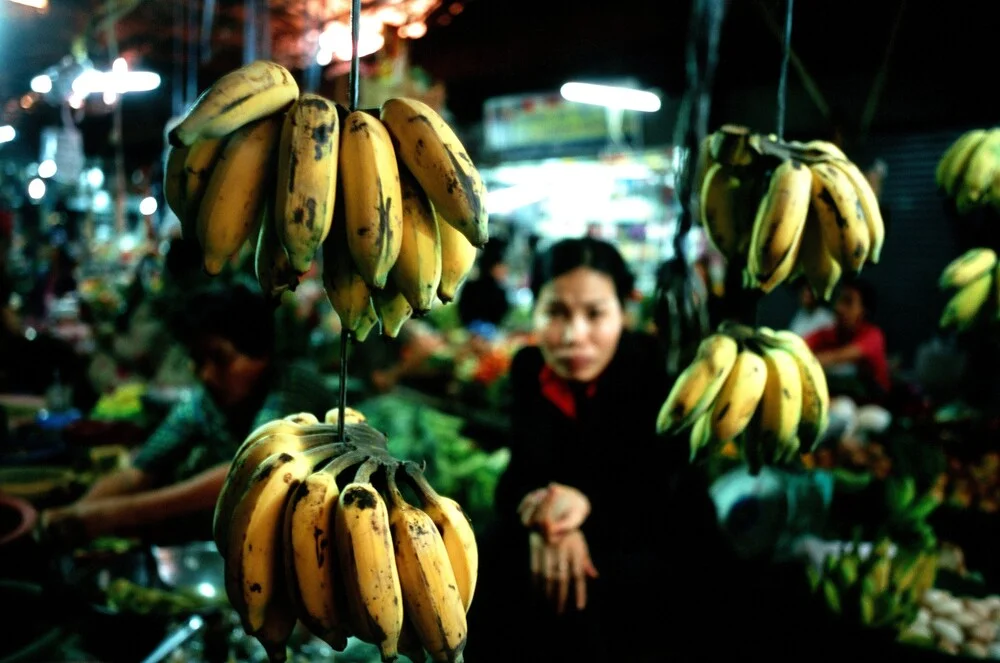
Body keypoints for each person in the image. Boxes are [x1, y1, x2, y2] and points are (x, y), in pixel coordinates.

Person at [464, 237, 733, 663]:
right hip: (558, 537)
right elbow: (517, 478)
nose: (574, 335)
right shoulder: (529, 368)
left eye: (595, 314)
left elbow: (665, 486)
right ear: (533, 310)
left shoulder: (659, 371)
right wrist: (545, 516)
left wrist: (584, 506)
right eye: (555, 312)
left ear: (623, 312)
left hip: (652, 537)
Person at [41, 282, 335, 546]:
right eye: (197, 359)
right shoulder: (205, 401)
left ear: (261, 354)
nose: (205, 375)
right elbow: (142, 470)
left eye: (220, 358)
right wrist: (76, 513)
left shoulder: (292, 388)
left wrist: (112, 514)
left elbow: (249, 474)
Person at [805, 277, 890, 404]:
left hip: (874, 405)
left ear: (864, 311)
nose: (838, 308)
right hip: (838, 401)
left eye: (848, 302)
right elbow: (799, 345)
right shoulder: (827, 334)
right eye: (839, 300)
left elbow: (836, 357)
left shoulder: (873, 336)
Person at [457, 238, 510, 327]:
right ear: (492, 267)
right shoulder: (497, 292)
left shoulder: (471, 287)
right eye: (501, 267)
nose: (505, 271)